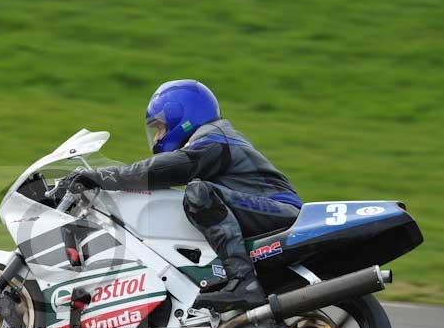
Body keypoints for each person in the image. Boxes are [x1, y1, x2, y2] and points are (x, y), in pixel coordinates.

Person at [65, 79, 302, 311]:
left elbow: (163, 169)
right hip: (266, 214)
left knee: (199, 193)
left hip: (281, 211)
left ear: (184, 117)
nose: (157, 137)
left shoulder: (216, 140)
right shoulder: (214, 142)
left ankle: (243, 282)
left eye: (160, 127)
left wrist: (101, 177)